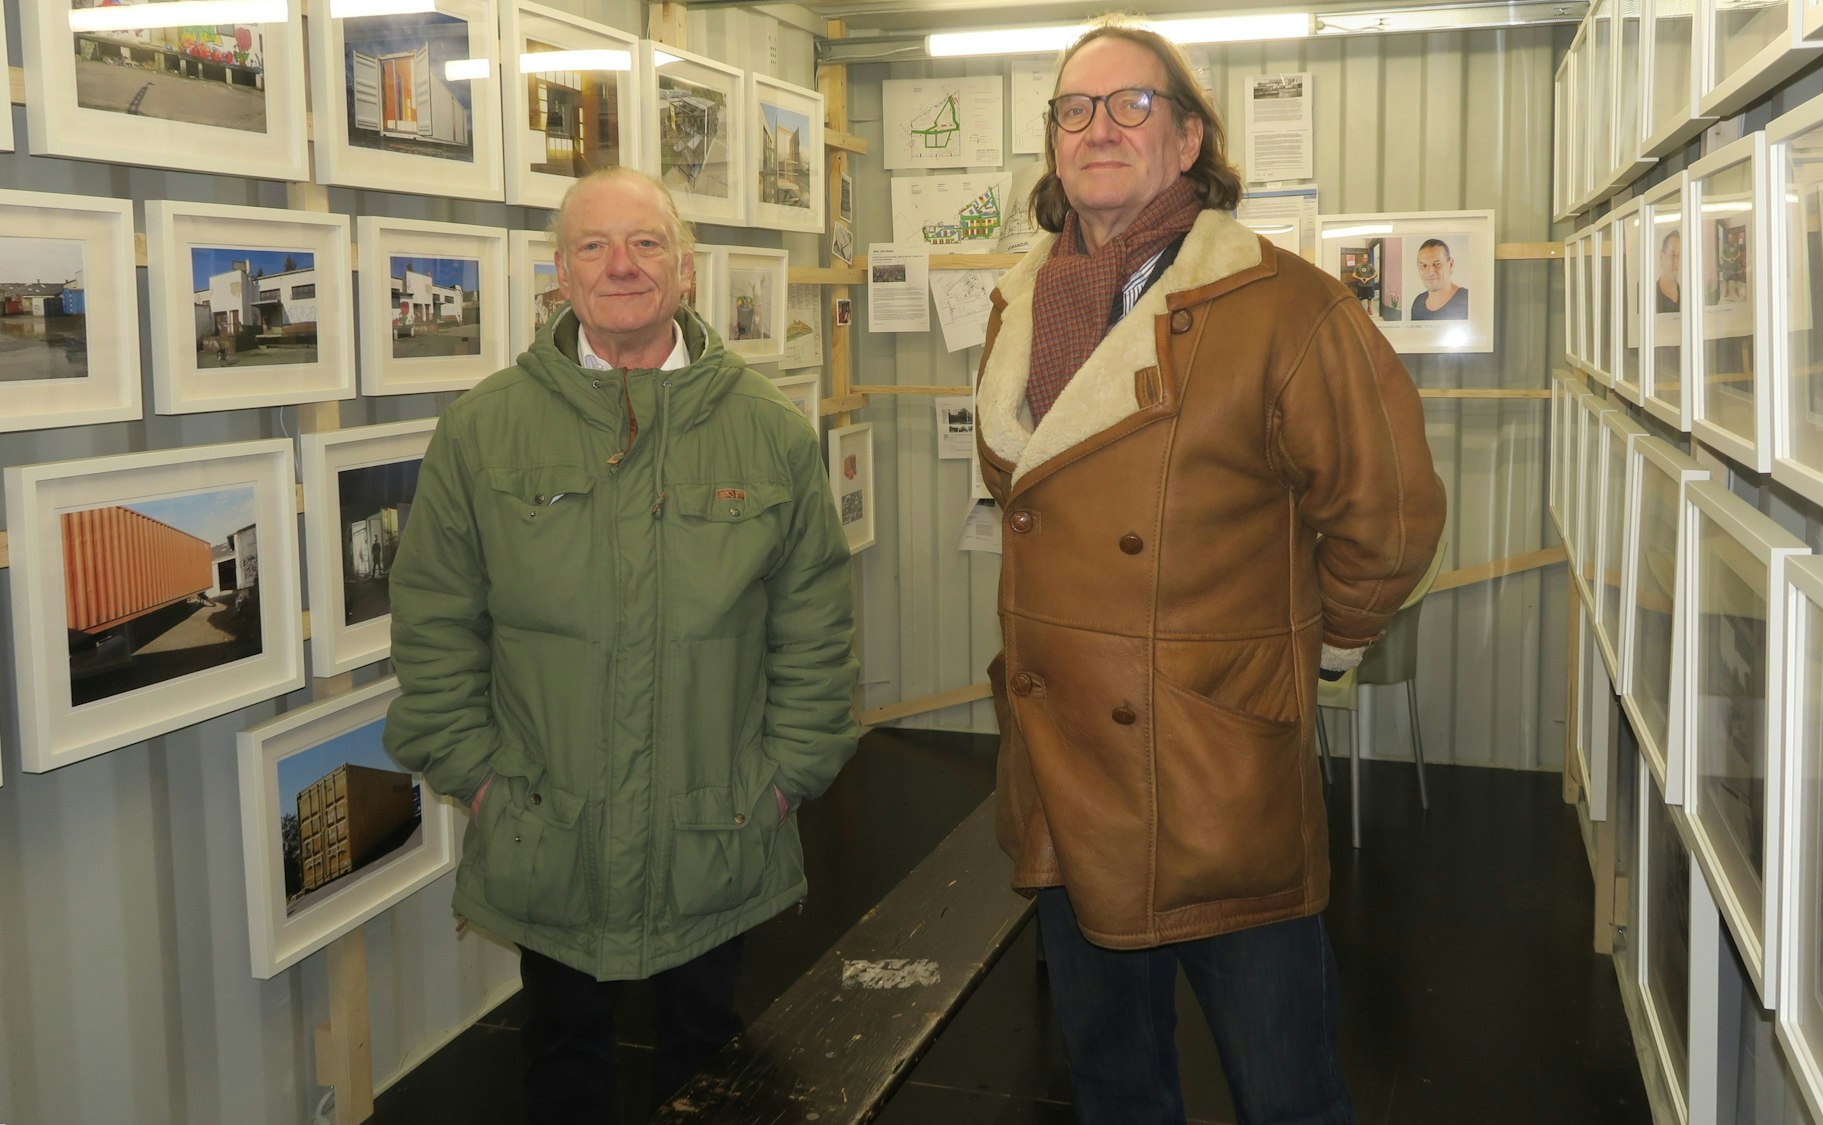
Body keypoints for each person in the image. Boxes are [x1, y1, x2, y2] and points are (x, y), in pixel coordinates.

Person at [974, 20, 1445, 1125]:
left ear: (1188, 140)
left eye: (1131, 105)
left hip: (1213, 769)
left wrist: (1317, 654)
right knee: (1113, 1085)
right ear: (1052, 141)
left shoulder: (1282, 306)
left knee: (1284, 1093)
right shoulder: (1021, 303)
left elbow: (1388, 517)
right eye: (1074, 109)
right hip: (1065, 762)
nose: (1099, 128)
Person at [384, 167, 859, 1125]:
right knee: (562, 1055)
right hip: (547, 826)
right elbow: (434, 621)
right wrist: (480, 779)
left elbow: (816, 624)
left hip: (718, 823)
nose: (622, 265)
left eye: (646, 243)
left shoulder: (766, 431)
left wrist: (783, 778)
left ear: (685, 269)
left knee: (710, 1057)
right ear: (560, 274)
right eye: (594, 246)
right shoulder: (484, 431)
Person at [1409, 237, 1469, 320]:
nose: (1430, 272)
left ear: (1451, 264)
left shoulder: (1468, 300)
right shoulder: (1418, 303)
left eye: (1437, 264)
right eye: (1424, 265)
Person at [1656, 228, 1681, 313]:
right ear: (1661, 255)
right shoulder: (1650, 296)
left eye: (1679, 256)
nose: (1676, 263)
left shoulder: (1687, 295)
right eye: (1672, 255)